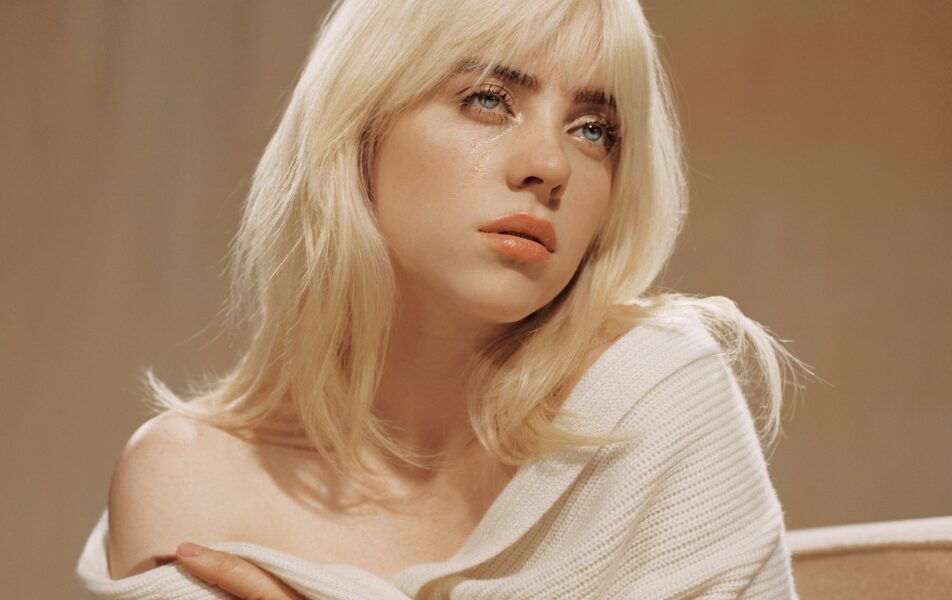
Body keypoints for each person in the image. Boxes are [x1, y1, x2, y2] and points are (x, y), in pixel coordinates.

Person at [76, 0, 807, 598]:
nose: (550, 165)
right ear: (361, 125)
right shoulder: (192, 483)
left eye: (594, 130)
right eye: (489, 99)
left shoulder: (658, 402)